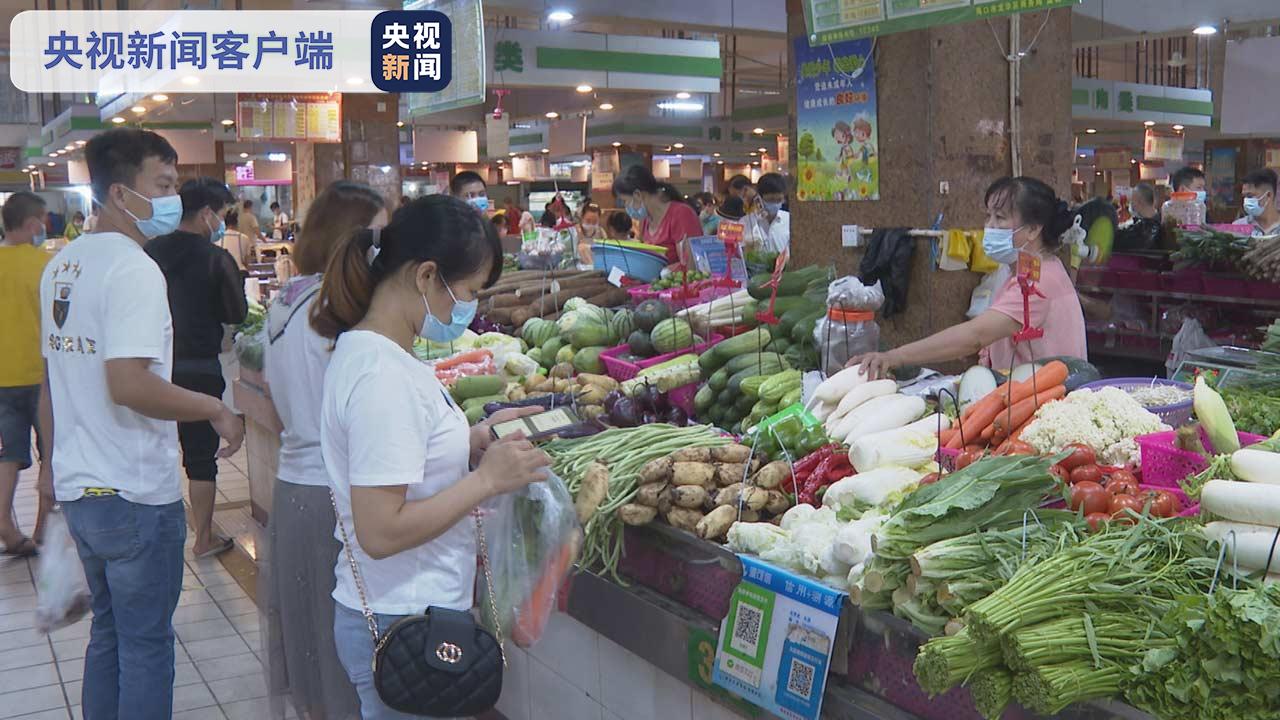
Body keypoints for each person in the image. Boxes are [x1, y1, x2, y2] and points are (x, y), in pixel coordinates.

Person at [310, 195, 550, 719]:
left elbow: (399, 462)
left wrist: (471, 440)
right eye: (466, 292)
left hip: (412, 610)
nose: (468, 308)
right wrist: (485, 482)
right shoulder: (381, 377)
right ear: (425, 276)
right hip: (403, 623)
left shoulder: (382, 354)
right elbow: (380, 531)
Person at [38, 127, 244, 720]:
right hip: (132, 493)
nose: (172, 197)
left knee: (109, 634)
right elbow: (128, 385)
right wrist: (214, 408)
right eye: (163, 184)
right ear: (121, 192)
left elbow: (54, 381)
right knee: (147, 644)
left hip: (83, 489)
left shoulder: (64, 264)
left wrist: (52, 467)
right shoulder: (133, 270)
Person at [263, 180, 386, 720]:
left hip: (294, 491)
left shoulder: (285, 302)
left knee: (313, 650)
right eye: (380, 235)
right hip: (335, 499)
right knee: (346, 664)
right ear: (352, 240)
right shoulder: (336, 311)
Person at [849, 176, 1087, 378]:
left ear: (1034, 229)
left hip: (1047, 405)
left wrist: (894, 357)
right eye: (988, 216)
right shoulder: (1027, 269)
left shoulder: (1040, 281)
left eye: (1000, 217)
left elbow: (975, 336)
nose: (989, 226)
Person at [145, 177, 248, 559]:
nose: (222, 222)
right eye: (221, 215)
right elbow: (236, 312)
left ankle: (155, 539)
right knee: (200, 458)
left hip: (152, 370)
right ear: (207, 214)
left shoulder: (150, 251)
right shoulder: (215, 258)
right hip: (200, 369)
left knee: (155, 451)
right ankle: (203, 539)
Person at [0, 192, 52, 557]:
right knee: (51, 452)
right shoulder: (47, 266)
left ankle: (4, 523)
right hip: (42, 376)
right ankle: (42, 531)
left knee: (8, 455)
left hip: (2, 378)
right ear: (33, 223)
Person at [614, 165, 704, 264]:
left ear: (638, 195)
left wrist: (666, 273)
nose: (625, 206)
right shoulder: (645, 221)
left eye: (625, 201)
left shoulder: (681, 215)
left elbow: (692, 264)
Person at [1116, 182, 1163, 251]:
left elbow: (1120, 242)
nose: (1131, 203)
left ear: (1139, 201)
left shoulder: (1147, 229)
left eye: (1132, 200)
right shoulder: (1162, 221)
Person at [1236, 168, 1280, 237]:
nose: (1246, 201)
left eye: (1250, 196)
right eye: (1244, 196)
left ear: (1268, 195)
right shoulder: (1238, 227)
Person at [755, 172, 791, 254]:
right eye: (770, 200)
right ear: (759, 198)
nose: (775, 204)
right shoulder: (748, 222)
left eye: (779, 200)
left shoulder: (790, 220)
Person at [576, 203, 606, 269]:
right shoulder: (575, 231)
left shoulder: (601, 232)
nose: (591, 224)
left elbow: (605, 250)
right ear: (582, 217)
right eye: (588, 220)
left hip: (597, 266)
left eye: (595, 221)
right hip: (578, 267)